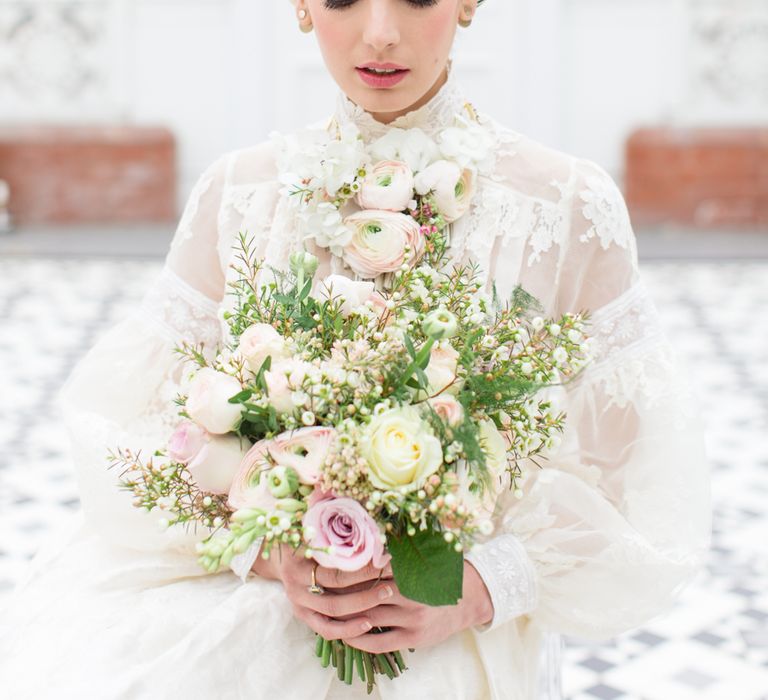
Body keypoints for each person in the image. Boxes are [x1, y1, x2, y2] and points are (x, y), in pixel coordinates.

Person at [0, 1, 712, 698]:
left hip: (439, 637)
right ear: (302, 6)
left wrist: (480, 586)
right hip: (241, 612)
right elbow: (144, 430)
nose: (380, 33)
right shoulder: (239, 194)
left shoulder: (565, 206)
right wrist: (265, 546)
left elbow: (639, 492)